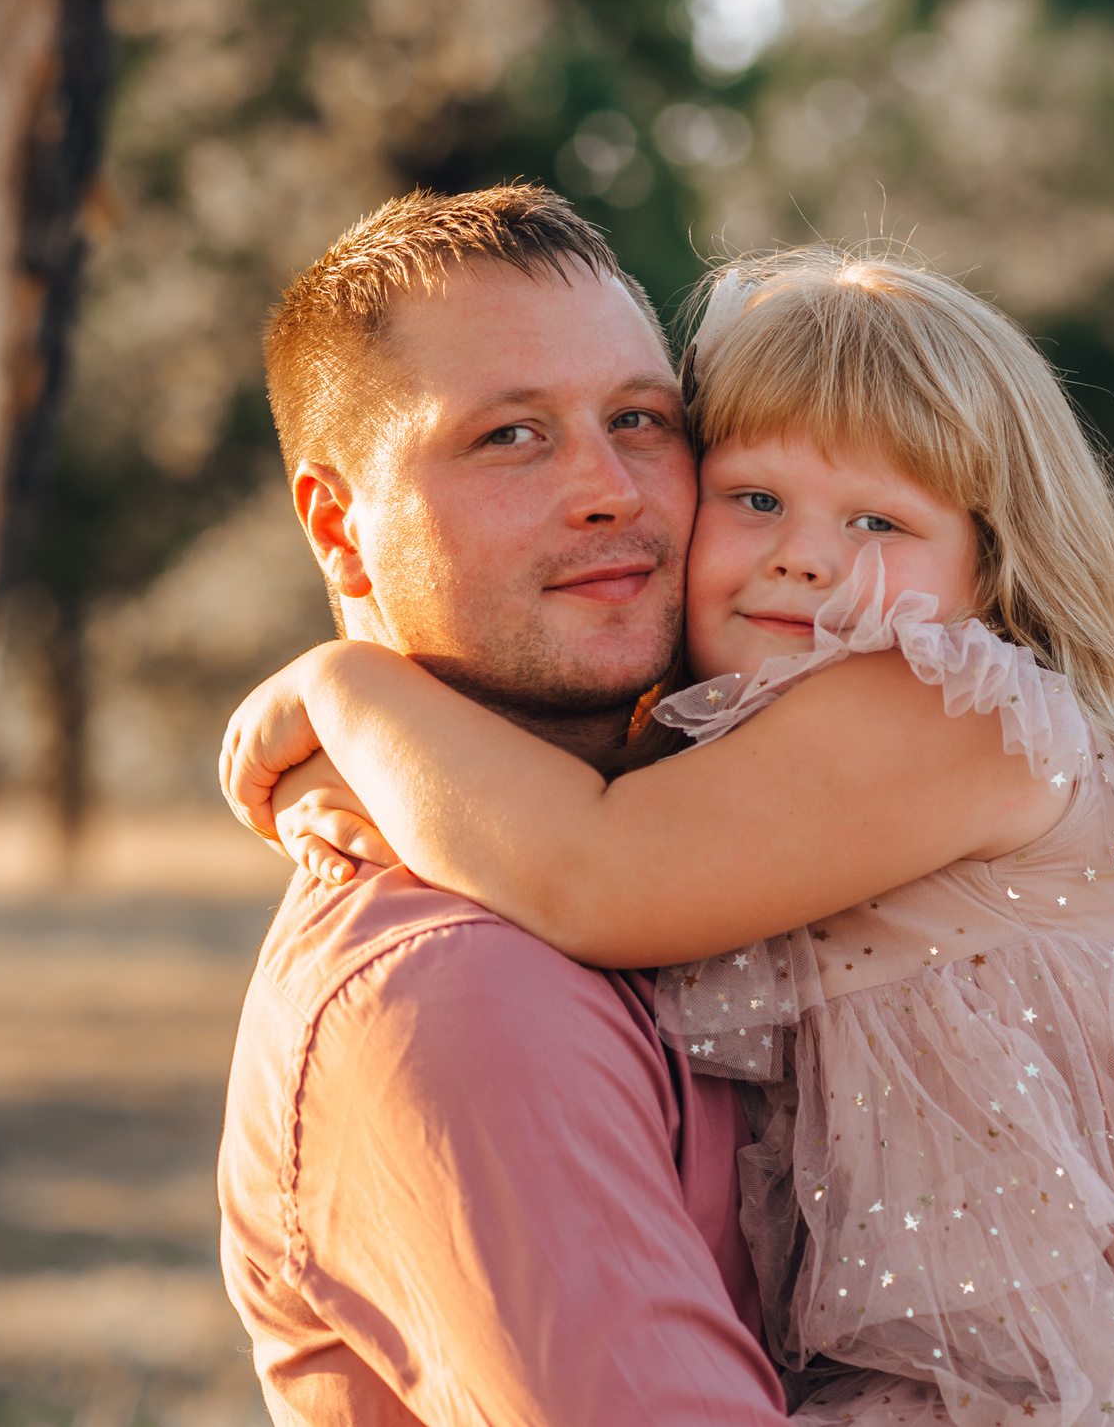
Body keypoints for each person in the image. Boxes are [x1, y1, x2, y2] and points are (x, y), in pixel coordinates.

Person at [224, 244, 1114, 1426]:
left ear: (991, 570)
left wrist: (349, 693)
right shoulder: (734, 770)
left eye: (877, 524)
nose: (804, 560)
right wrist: (391, 775)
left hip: (1062, 1368)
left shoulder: (941, 700)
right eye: (755, 497)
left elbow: (598, 866)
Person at [214, 184, 791, 1425]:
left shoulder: (741, 831)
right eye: (508, 437)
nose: (611, 489)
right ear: (340, 530)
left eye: (641, 418)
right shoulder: (455, 989)